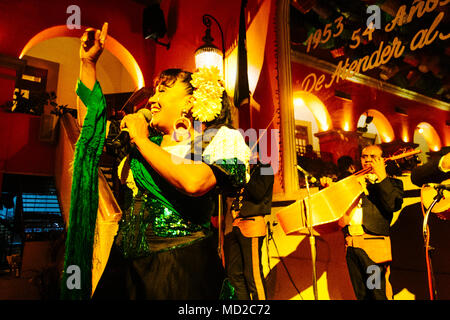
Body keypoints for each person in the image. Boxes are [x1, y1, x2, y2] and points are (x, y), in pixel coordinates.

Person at [63, 23, 251, 300]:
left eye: (162, 91)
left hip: (180, 269)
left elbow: (194, 182)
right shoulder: (143, 137)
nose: (152, 99)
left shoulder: (218, 139)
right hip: (124, 269)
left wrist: (140, 140)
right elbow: (90, 125)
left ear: (190, 101)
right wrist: (88, 62)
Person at [321, 145, 403, 300]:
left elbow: (392, 205)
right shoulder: (352, 181)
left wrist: (381, 176)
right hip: (351, 245)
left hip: (373, 247)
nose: (368, 160)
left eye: (373, 156)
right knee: (361, 295)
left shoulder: (392, 183)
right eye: (365, 156)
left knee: (376, 293)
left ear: (382, 159)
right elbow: (335, 206)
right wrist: (326, 188)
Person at [223, 157, 274, 300]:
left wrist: (244, 176)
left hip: (252, 223)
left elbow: (258, 192)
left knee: (253, 275)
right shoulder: (243, 171)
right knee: (235, 274)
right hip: (236, 223)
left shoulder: (264, 168)